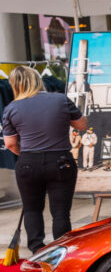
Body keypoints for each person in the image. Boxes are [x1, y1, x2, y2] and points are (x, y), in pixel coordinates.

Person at [2, 66, 86, 253]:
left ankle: (37, 251)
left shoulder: (11, 108)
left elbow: (9, 144)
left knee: (32, 209)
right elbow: (81, 125)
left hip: (28, 162)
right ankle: (62, 251)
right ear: (37, 79)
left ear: (15, 85)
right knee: (61, 212)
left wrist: (28, 155)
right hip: (61, 161)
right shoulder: (60, 100)